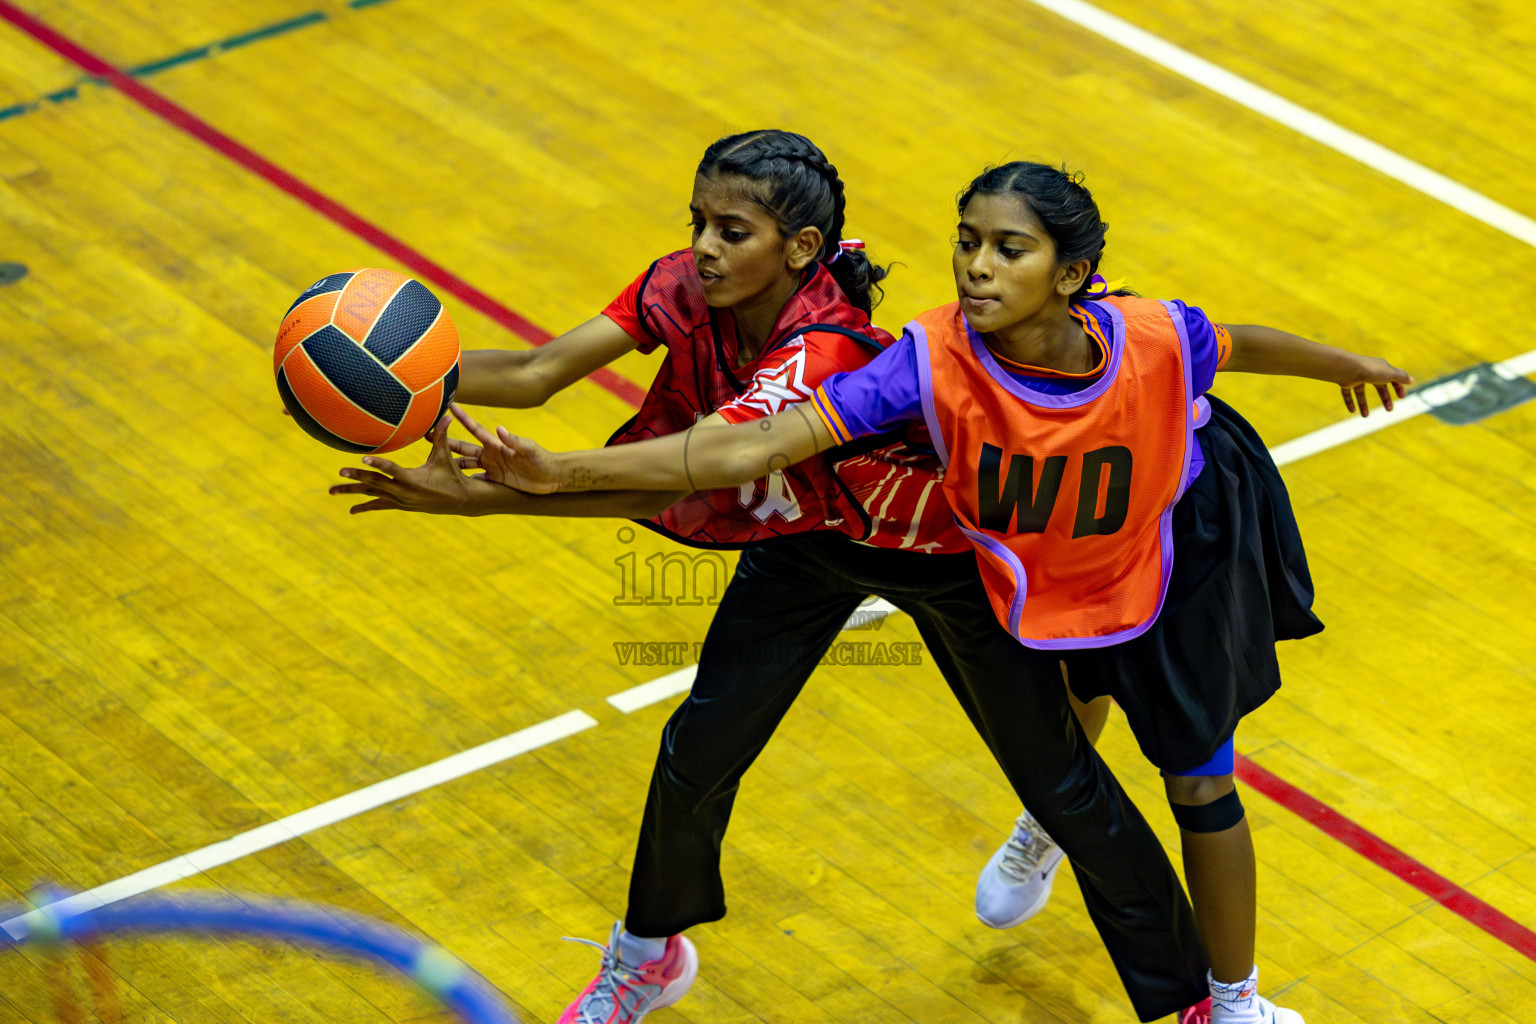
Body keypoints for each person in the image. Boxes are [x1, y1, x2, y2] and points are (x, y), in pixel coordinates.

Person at [461, 160, 1414, 1024]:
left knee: (1182, 775)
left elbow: (1235, 341)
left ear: (1069, 272)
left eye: (1008, 249)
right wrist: (539, 480)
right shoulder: (920, 360)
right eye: (966, 244)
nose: (976, 268)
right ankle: (650, 952)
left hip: (1160, 535)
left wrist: (1351, 364)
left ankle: (1216, 1001)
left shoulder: (1150, 337)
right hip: (866, 541)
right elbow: (744, 449)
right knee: (703, 743)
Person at [333, 135, 1212, 1022]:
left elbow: (687, 470)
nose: (705, 247)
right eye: (700, 223)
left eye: (732, 229)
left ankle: (1186, 1001)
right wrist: (397, 386)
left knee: (1061, 787)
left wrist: (507, 490)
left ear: (797, 249)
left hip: (938, 553)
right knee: (697, 752)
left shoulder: (822, 349)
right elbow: (533, 375)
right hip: (804, 537)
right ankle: (649, 954)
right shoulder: (682, 286)